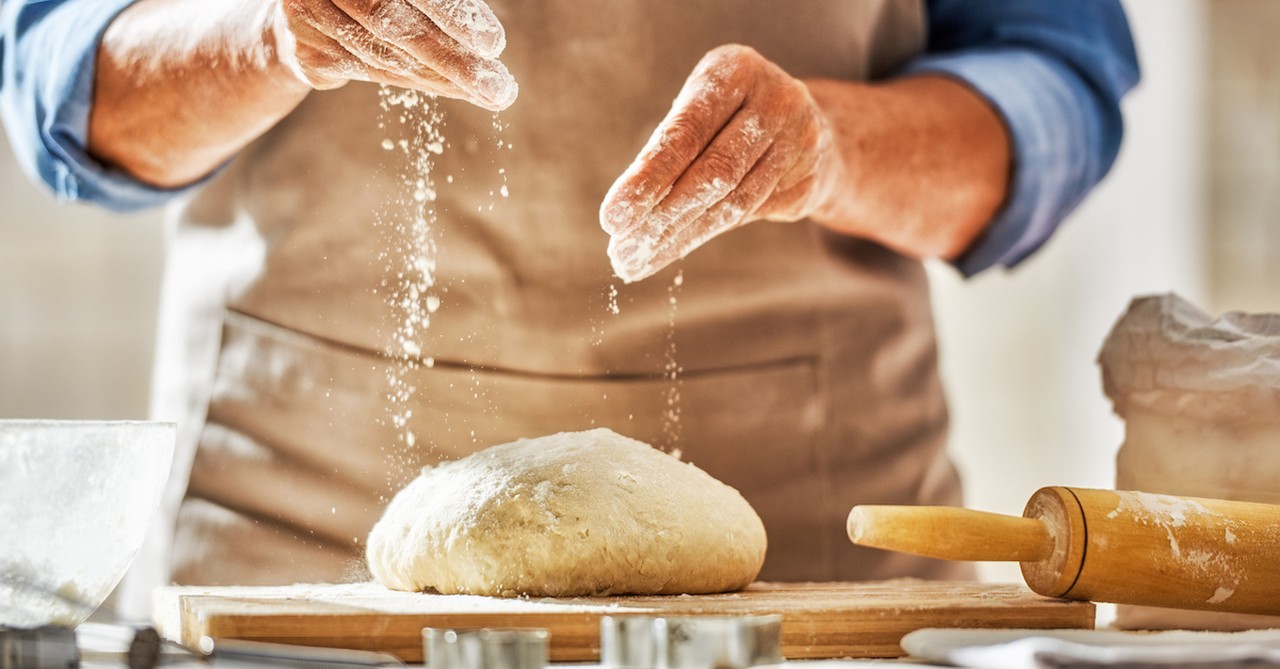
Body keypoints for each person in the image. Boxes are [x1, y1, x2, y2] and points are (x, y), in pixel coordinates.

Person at [1, 0, 1138, 616]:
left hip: (804, 560)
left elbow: (1055, 82)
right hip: (295, 533)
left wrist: (835, 149)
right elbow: (57, 75)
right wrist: (261, 32)